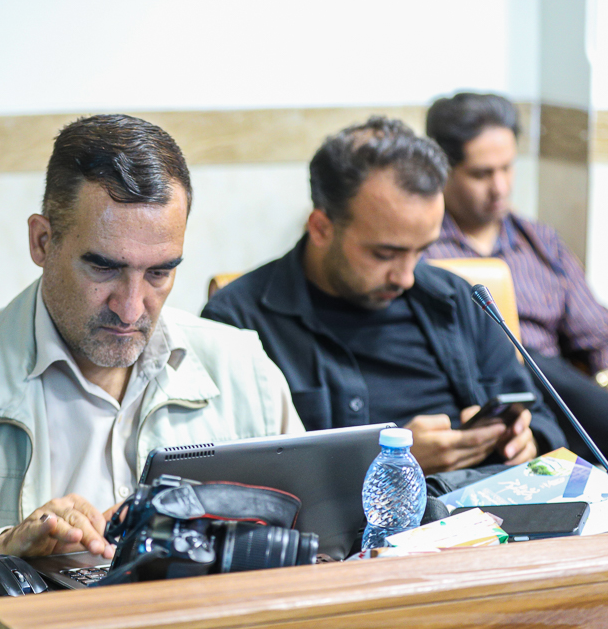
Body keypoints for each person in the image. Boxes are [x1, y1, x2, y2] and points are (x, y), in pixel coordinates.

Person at [0, 114, 304, 593]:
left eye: (159, 273)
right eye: (104, 268)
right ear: (42, 242)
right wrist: (2, 550)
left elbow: (318, 542)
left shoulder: (244, 370)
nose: (130, 307)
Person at [202, 117, 566, 475]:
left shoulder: (456, 300)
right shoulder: (237, 323)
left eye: (421, 249)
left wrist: (528, 440)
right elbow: (232, 479)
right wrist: (385, 464)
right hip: (347, 515)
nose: (406, 277)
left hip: (483, 503)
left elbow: (541, 419)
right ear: (321, 228)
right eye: (385, 254)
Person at [423, 92, 608, 466]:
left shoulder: (540, 242)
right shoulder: (422, 251)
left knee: (545, 371)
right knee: (524, 359)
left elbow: (597, 336)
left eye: (507, 168)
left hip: (561, 395)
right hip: (484, 392)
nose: (500, 187)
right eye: (482, 174)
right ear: (442, 170)